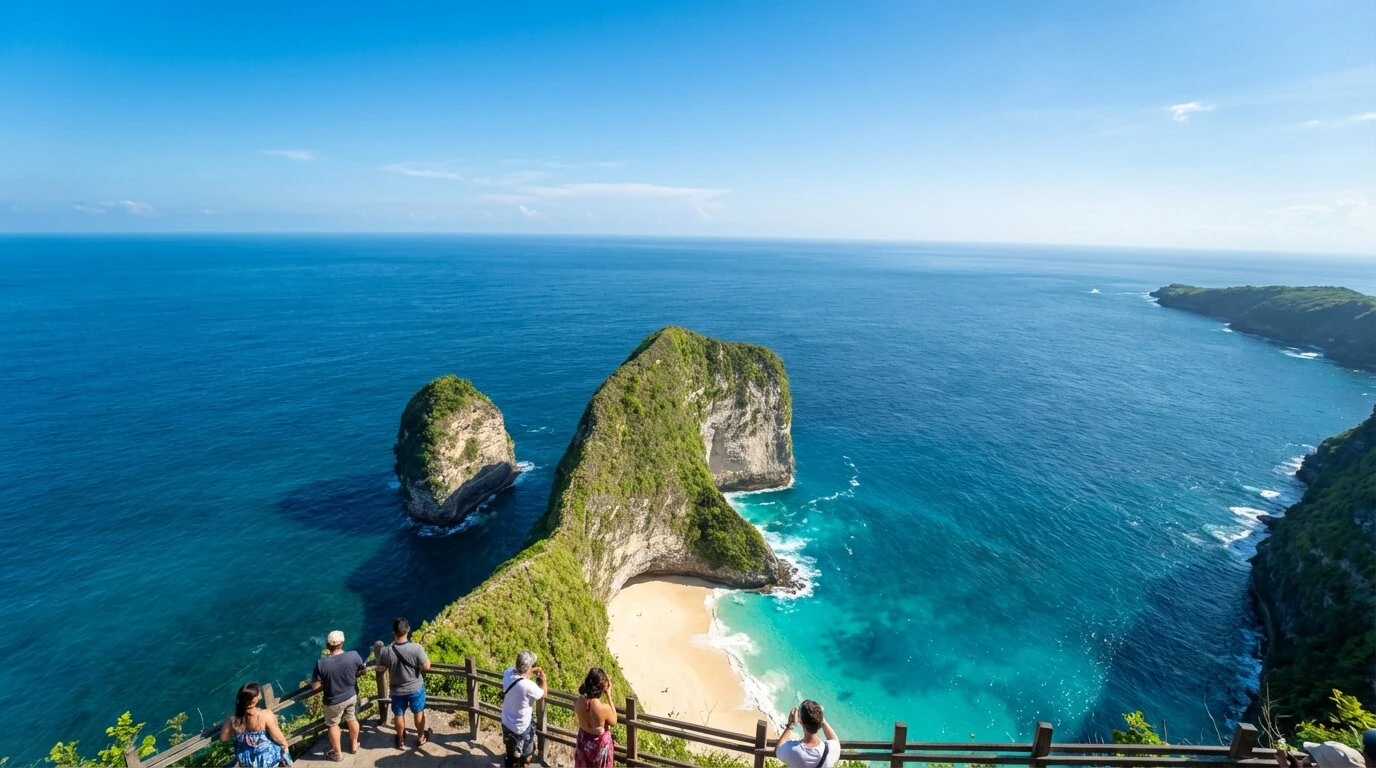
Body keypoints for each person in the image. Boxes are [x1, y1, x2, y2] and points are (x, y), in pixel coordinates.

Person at [310, 630, 366, 761]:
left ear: (327, 645)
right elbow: (362, 670)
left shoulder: (321, 664)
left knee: (333, 725)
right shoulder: (354, 655)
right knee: (352, 718)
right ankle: (354, 745)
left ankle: (337, 753)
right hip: (351, 695)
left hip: (333, 700)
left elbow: (315, 687)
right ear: (342, 643)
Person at [377, 617, 431, 749]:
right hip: (415, 688)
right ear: (408, 630)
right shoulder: (416, 648)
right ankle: (420, 737)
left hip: (396, 690)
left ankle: (401, 740)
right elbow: (426, 666)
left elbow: (382, 668)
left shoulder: (386, 651)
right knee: (418, 712)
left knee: (398, 715)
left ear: (393, 633)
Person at [219, 682, 292, 767]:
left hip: (246, 760)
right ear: (254, 700)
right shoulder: (265, 715)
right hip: (267, 758)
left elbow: (224, 738)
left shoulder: (231, 718)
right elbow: (279, 739)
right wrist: (286, 749)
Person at [500, 650, 548, 768]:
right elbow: (543, 695)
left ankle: (511, 760)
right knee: (526, 753)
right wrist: (544, 680)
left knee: (510, 746)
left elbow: (517, 672)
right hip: (521, 728)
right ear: (528, 667)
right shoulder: (529, 686)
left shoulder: (507, 673)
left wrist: (531, 670)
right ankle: (522, 763)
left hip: (506, 722)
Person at [773, 699, 840, 768]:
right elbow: (835, 741)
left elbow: (778, 749)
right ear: (820, 721)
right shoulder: (831, 749)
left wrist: (791, 725)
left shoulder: (793, 750)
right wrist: (822, 720)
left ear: (801, 721)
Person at [573, 667, 617, 768]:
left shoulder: (578, 701)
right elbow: (614, 721)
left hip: (583, 741)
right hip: (598, 748)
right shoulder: (602, 708)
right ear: (602, 687)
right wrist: (609, 696)